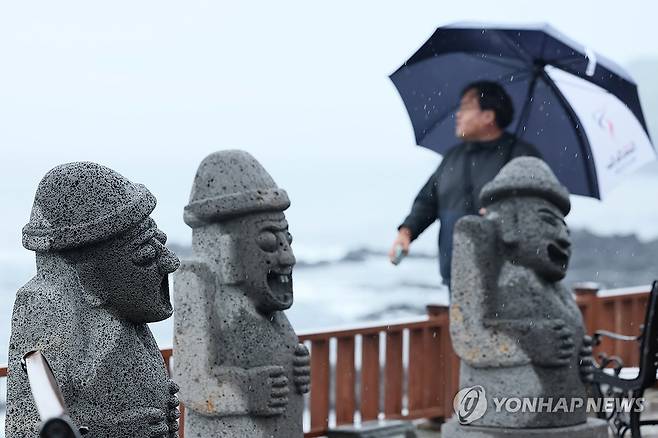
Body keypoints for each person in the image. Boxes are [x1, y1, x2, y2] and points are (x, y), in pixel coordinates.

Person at [389, 81, 541, 287]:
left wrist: (505, 213)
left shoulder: (522, 156)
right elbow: (427, 202)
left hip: (507, 277)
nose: (458, 114)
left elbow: (539, 207)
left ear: (488, 116)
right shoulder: (453, 157)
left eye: (466, 107)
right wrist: (406, 233)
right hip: (456, 273)